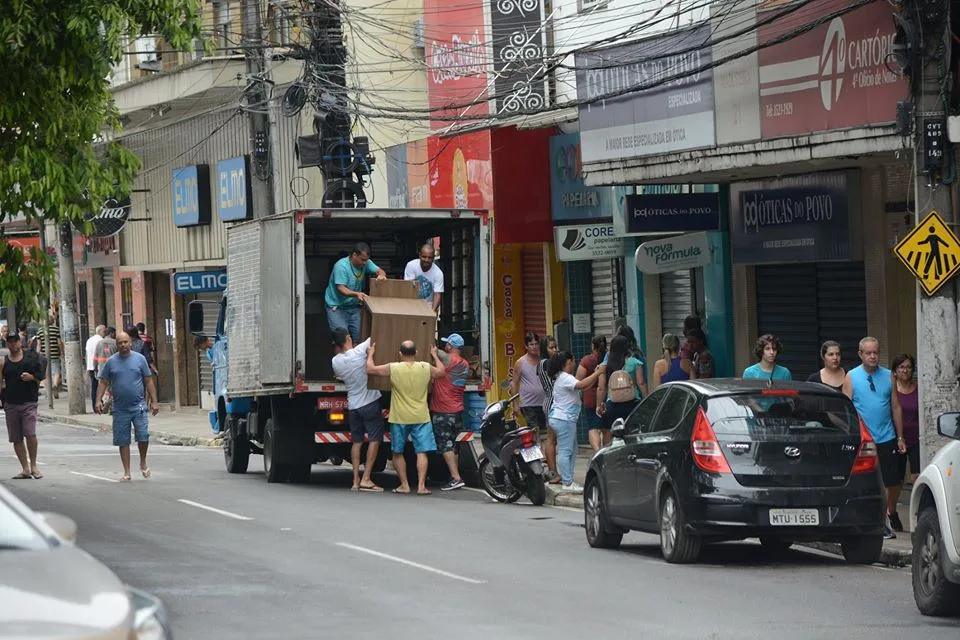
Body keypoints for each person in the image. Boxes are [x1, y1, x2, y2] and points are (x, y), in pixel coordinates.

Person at [843, 337, 905, 538]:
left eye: (875, 352)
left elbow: (895, 406)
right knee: (867, 479)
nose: (872, 356)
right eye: (868, 353)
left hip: (886, 435)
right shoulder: (851, 377)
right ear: (860, 354)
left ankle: (888, 511)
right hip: (864, 438)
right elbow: (847, 408)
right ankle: (879, 520)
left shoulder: (889, 376)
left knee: (893, 480)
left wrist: (900, 436)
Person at [366, 340, 445, 495]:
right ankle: (421, 486)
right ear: (415, 353)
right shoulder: (425, 367)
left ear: (400, 354)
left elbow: (370, 369)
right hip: (421, 416)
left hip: (399, 417)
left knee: (397, 452)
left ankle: (404, 485)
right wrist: (435, 356)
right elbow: (442, 372)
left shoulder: (394, 368)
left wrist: (371, 354)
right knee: (421, 452)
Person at [95, 331, 160, 482]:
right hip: (120, 408)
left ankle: (143, 462)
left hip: (138, 406)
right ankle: (127, 472)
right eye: (120, 343)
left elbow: (148, 381)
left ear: (130, 342)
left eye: (125, 342)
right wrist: (98, 400)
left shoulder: (140, 359)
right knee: (123, 440)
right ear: (116, 345)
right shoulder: (111, 361)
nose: (123, 345)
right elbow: (103, 382)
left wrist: (154, 401)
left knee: (143, 436)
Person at [331, 327, 384, 493]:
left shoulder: (335, 362)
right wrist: (371, 354)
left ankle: (355, 480)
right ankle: (366, 478)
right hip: (370, 403)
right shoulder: (359, 351)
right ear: (348, 338)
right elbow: (377, 333)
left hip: (353, 406)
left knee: (357, 442)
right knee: (375, 440)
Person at [548, 351, 605, 494]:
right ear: (568, 362)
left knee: (571, 450)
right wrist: (597, 374)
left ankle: (569, 479)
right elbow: (581, 384)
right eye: (574, 360)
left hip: (562, 418)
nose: (575, 363)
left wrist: (595, 374)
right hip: (564, 419)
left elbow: (584, 387)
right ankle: (567, 483)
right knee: (566, 451)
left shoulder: (563, 378)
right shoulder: (566, 377)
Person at [0, 333, 46, 479]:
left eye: (15, 341)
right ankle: (25, 469)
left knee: (30, 433)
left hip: (29, 402)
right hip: (11, 403)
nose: (12, 344)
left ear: (19, 342)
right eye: (10, 342)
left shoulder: (30, 358)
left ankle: (33, 466)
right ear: (7, 344)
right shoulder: (3, 361)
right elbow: (0, 382)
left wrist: (31, 377)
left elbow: (40, 376)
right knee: (16, 437)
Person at [324, 242, 388, 344]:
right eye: (362, 260)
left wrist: (381, 275)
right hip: (337, 307)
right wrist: (357, 294)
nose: (364, 263)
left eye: (366, 260)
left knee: (360, 338)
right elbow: (341, 288)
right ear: (354, 255)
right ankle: (340, 360)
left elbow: (380, 271)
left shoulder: (365, 262)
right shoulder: (341, 266)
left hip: (354, 307)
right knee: (342, 340)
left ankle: (354, 359)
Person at [430, 333, 469, 491]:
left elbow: (433, 349)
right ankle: (454, 475)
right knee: (453, 445)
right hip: (458, 410)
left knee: (445, 445)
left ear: (450, 346)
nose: (444, 346)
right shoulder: (465, 363)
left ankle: (455, 477)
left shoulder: (447, 359)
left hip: (443, 410)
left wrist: (433, 352)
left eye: (446, 344)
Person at [596, 335, 646, 428]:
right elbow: (641, 383)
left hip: (612, 404)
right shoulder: (635, 362)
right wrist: (646, 399)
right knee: (633, 430)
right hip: (632, 403)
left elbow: (601, 388)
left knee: (610, 431)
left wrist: (598, 405)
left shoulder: (604, 365)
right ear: (626, 347)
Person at [892, 353, 920, 485]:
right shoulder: (891, 391)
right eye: (901, 367)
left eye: (908, 367)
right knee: (897, 478)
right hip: (895, 438)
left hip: (916, 438)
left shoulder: (919, 389)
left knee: (918, 476)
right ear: (895, 371)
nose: (905, 370)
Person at [576, 335, 608, 451]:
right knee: (606, 428)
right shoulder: (609, 358)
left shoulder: (587, 360)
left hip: (590, 398)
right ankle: (605, 452)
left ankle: (597, 451)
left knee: (593, 427)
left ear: (593, 346)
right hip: (608, 397)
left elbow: (578, 379)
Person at [536, 335, 560, 482]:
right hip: (553, 402)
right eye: (551, 348)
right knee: (552, 440)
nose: (555, 350)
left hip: (548, 401)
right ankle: (553, 472)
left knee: (552, 439)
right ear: (545, 349)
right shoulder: (548, 364)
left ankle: (553, 470)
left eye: (556, 347)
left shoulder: (540, 364)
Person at [511, 332, 544, 431]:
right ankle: (537, 446)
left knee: (544, 431)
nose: (534, 347)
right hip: (528, 404)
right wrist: (515, 404)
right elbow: (514, 383)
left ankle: (541, 446)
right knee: (534, 429)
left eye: (536, 344)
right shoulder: (520, 362)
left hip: (543, 403)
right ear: (526, 346)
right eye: (531, 344)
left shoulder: (543, 361)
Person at [403, 243, 443, 312]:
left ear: (433, 258)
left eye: (429, 258)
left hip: (429, 305)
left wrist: (432, 312)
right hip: (412, 303)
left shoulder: (438, 273)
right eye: (424, 257)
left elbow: (437, 294)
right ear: (419, 255)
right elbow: (408, 287)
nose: (426, 260)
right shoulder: (411, 265)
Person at [34, 315, 63, 399]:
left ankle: (49, 391)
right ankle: (55, 385)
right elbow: (59, 342)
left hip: (44, 355)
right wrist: (61, 352)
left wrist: (37, 354)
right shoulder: (56, 329)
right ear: (52, 321)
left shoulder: (40, 330)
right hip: (54, 354)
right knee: (56, 372)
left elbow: (39, 344)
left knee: (45, 374)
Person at [86, 325, 107, 409]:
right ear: (100, 331)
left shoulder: (89, 340)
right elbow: (100, 354)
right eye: (104, 331)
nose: (105, 333)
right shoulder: (101, 341)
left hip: (90, 366)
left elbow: (87, 354)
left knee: (94, 386)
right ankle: (100, 404)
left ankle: (95, 406)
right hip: (98, 366)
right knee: (101, 386)